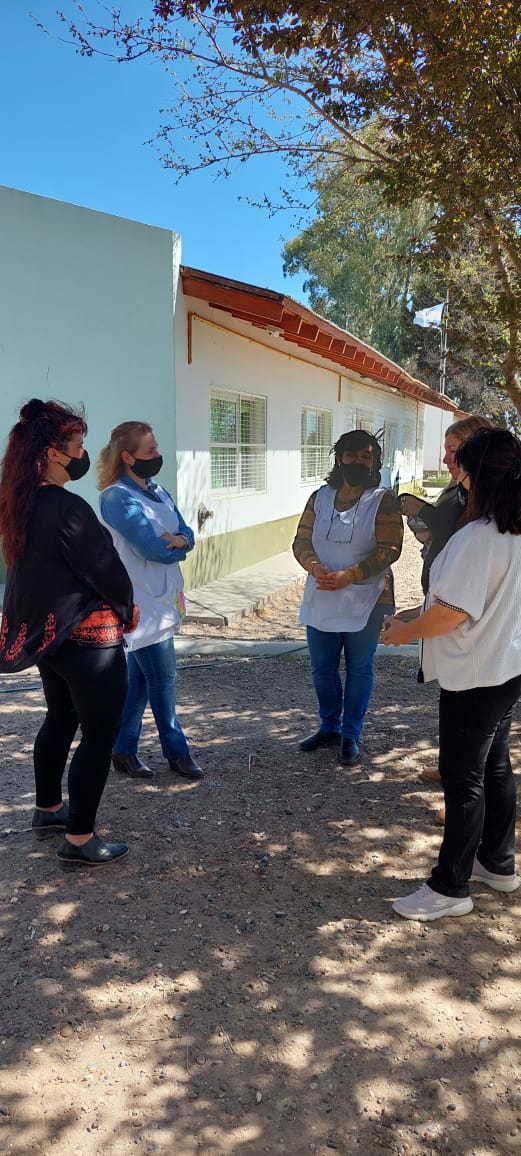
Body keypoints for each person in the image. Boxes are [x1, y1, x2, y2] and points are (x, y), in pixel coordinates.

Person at [382, 428, 521, 920]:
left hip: (475, 675)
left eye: (457, 463)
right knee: (494, 767)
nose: (452, 471)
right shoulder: (512, 528)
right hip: (505, 668)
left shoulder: (478, 539)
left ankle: (450, 887)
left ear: (472, 474)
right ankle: (497, 863)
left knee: (463, 781)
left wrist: (404, 631)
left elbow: (451, 614)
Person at [0, 399, 137, 869]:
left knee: (60, 716)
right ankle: (79, 839)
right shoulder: (66, 506)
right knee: (100, 733)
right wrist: (127, 607)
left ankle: (48, 809)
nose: (83, 453)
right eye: (77, 444)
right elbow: (105, 569)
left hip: (50, 638)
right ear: (54, 454)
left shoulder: (21, 501)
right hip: (88, 638)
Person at [97, 421, 202, 780]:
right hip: (139, 603)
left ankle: (122, 749)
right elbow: (150, 547)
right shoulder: (117, 497)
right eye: (151, 451)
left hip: (164, 597)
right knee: (163, 679)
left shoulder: (158, 491)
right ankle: (177, 752)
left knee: (142, 682)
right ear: (127, 457)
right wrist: (174, 544)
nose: (158, 456)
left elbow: (187, 532)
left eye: (156, 448)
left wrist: (180, 541)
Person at [293, 429, 403, 765]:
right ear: (339, 458)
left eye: (365, 457)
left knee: (359, 667)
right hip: (323, 595)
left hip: (367, 598)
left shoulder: (382, 500)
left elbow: (390, 549)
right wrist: (313, 567)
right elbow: (301, 541)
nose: (358, 461)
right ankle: (329, 727)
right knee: (322, 668)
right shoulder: (319, 497)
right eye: (352, 455)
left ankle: (351, 734)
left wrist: (350, 576)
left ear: (375, 462)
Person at [400, 415, 494, 596]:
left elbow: (453, 530)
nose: (445, 460)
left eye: (452, 451)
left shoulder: (484, 500)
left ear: (474, 451)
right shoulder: (457, 489)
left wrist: (421, 509)